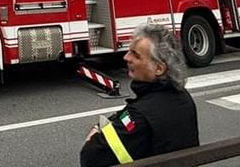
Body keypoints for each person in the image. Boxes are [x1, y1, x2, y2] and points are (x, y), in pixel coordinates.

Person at [80, 24, 199, 166]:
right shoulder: (183, 97)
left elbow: (90, 156)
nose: (126, 57)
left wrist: (95, 131)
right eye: (129, 51)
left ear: (159, 68)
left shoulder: (140, 115)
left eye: (136, 55)